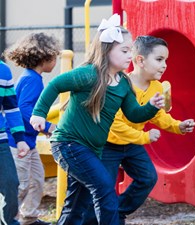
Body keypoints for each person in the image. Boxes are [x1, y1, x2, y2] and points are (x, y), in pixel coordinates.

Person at [29, 14, 164, 225]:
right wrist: (39, 113)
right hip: (69, 144)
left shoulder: (123, 83)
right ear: (107, 50)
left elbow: (133, 114)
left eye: (131, 50)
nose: (130, 55)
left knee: (76, 206)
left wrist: (150, 107)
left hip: (92, 149)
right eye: (125, 50)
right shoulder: (88, 74)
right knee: (104, 189)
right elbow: (55, 84)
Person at [82, 35, 195, 225]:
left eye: (166, 60)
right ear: (140, 60)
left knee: (147, 178)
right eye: (159, 59)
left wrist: (178, 126)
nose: (165, 65)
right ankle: (91, 221)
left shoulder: (157, 86)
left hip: (132, 144)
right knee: (103, 187)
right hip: (108, 144)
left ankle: (118, 212)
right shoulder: (120, 84)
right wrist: (143, 137)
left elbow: (157, 115)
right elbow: (115, 123)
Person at [4, 32, 60, 225]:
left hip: (29, 141)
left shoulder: (33, 78)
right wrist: (47, 126)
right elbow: (25, 108)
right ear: (44, 57)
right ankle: (8, 219)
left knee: (37, 179)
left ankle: (29, 218)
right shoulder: (31, 79)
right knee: (22, 184)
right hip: (17, 142)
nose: (55, 61)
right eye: (55, 57)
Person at [0, 60, 30, 225]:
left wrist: (20, 139)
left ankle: (8, 221)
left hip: (1, 141)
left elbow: (11, 108)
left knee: (11, 183)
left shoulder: (4, 71)